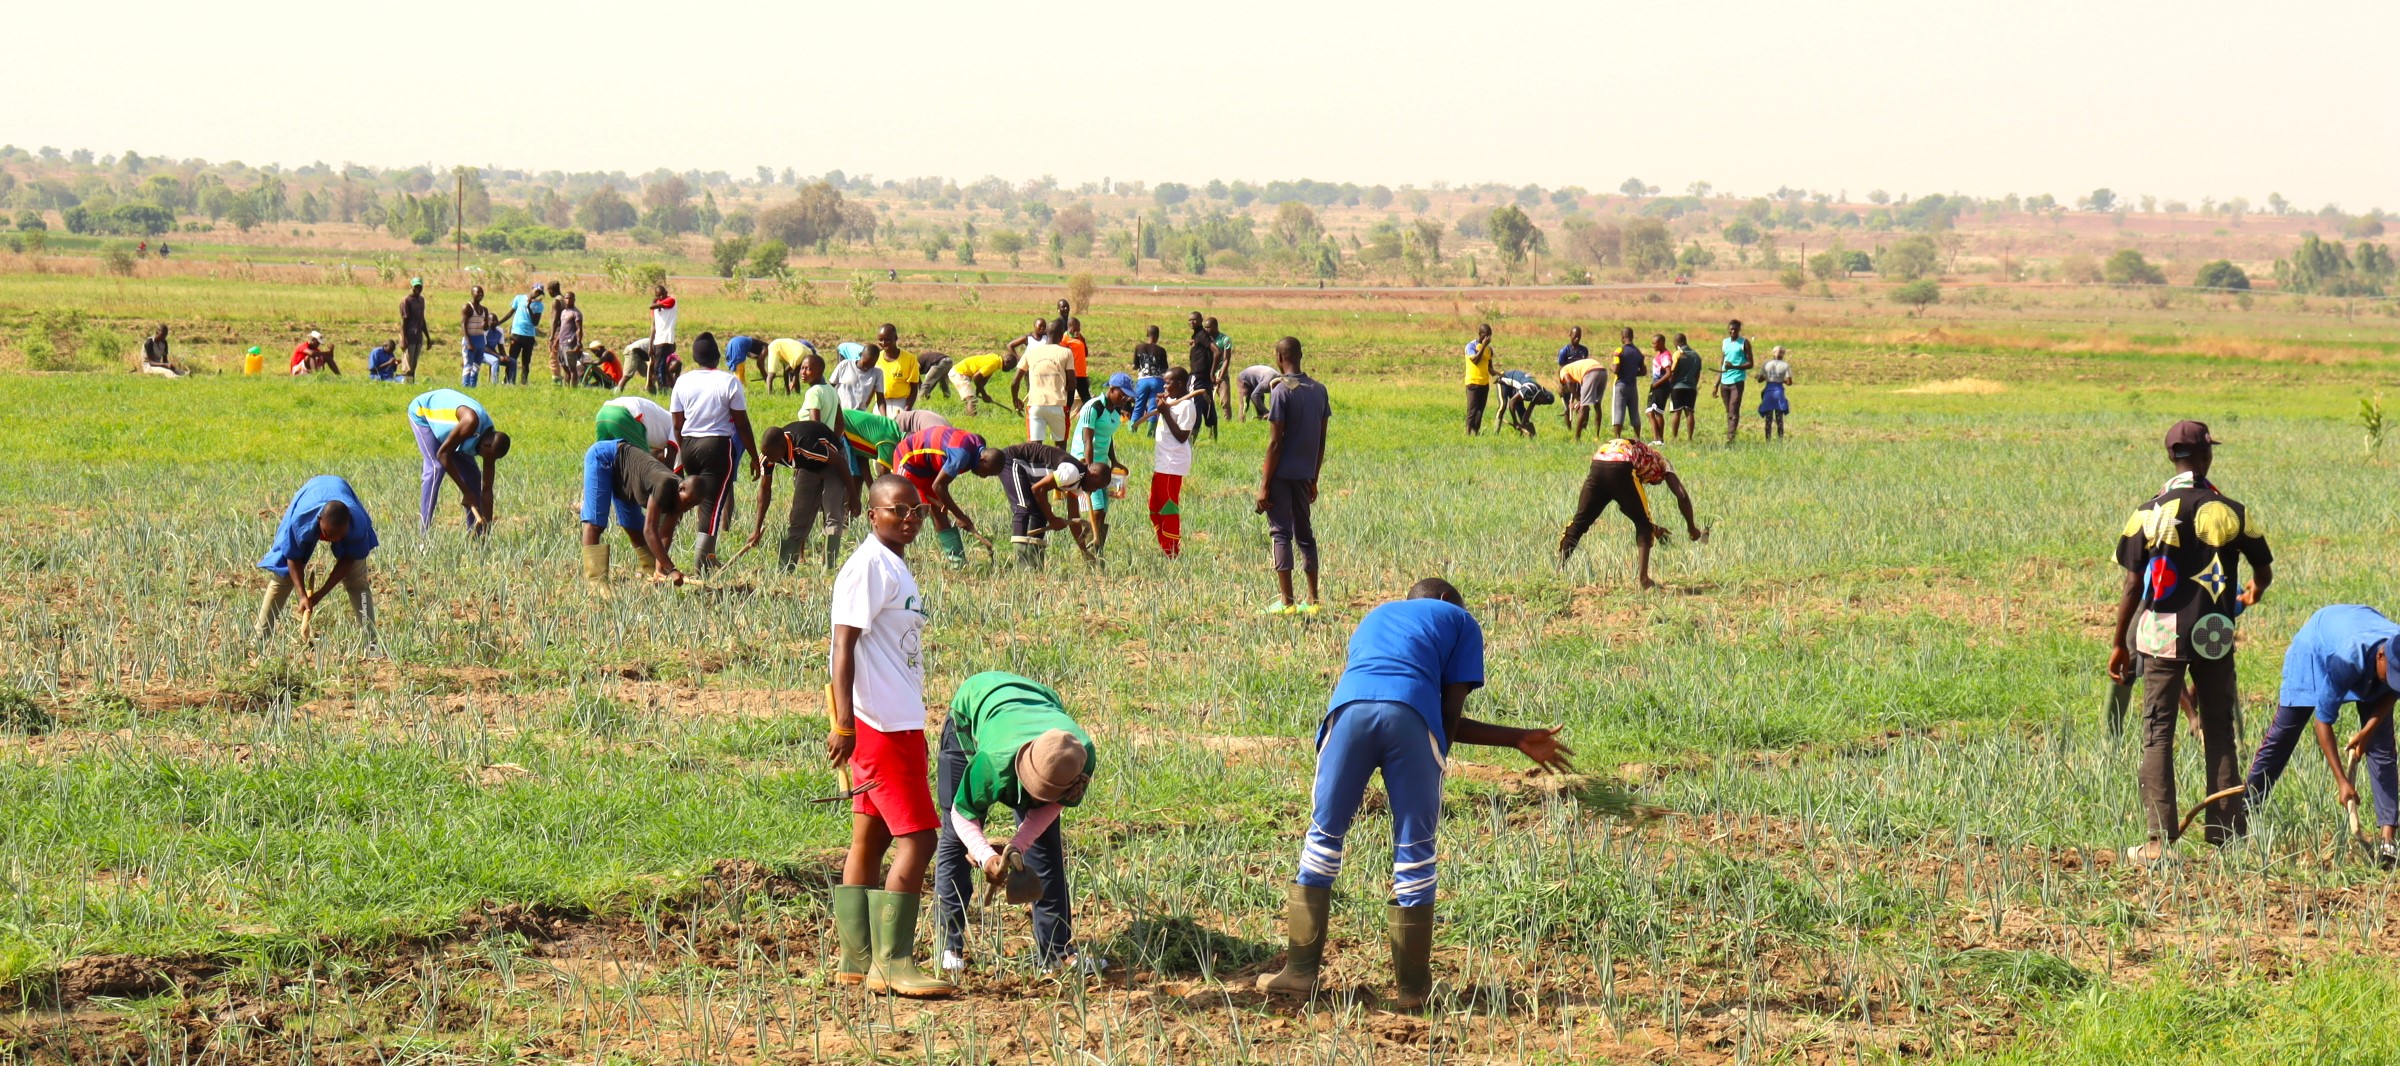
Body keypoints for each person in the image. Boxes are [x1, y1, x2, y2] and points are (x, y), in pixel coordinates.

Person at [1257, 578, 1573, 1009]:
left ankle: (1299, 972)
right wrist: (1513, 738)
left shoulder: (1374, 616)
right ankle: (1413, 989)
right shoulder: (1460, 619)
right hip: (1412, 721)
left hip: (1347, 713)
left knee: (1324, 834)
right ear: (1446, 600)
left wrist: (1514, 738)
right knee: (1414, 848)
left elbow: (1377, 685)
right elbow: (1448, 717)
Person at [2110, 420, 2272, 862]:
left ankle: (2159, 843)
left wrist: (2120, 642)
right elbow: (2264, 569)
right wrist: (2255, 588)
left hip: (2161, 633)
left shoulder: (2148, 513)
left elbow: (2131, 586)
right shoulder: (2232, 511)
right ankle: (2226, 836)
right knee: (2220, 729)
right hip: (2214, 635)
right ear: (2207, 457)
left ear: (2170, 457)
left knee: (2158, 732)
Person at [826, 475, 952, 999]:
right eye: (896, 510)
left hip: (896, 721)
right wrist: (844, 723)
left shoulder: (893, 564)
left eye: (915, 510)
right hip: (881, 726)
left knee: (871, 837)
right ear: (871, 514)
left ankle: (855, 960)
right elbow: (842, 645)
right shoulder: (868, 567)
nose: (908, 518)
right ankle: (893, 963)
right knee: (921, 837)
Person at [931, 672, 1097, 974]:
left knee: (1045, 849)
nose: (1036, 799)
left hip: (1037, 703)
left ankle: (1056, 953)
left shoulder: (1079, 757)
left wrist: (1017, 846)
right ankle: (949, 948)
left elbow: (1047, 813)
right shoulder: (993, 761)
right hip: (973, 712)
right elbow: (962, 813)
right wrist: (985, 855)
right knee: (955, 841)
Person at [2243, 605, 2400, 868]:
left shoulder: (2397, 649)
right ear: (2381, 656)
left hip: (2358, 631)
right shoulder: (2347, 659)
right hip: (2316, 649)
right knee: (2284, 734)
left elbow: (2393, 693)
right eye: (2393, 675)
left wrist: (2367, 731)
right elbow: (2323, 722)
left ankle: (2388, 839)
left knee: (2382, 746)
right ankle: (2242, 812)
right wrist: (2342, 782)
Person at [1556, 437, 1707, 591]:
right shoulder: (1663, 462)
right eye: (1657, 481)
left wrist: (1652, 526)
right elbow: (1682, 495)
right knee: (1643, 525)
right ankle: (1644, 580)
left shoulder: (1642, 456)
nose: (1654, 483)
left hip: (1599, 462)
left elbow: (1627, 505)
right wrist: (1692, 529)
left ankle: (1557, 572)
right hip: (1622, 464)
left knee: (1580, 522)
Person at [254, 476, 381, 648]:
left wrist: (320, 594)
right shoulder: (300, 520)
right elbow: (292, 557)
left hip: (340, 489)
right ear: (319, 519)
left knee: (357, 582)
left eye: (340, 536)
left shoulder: (357, 524)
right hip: (311, 493)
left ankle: (371, 643)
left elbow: (349, 559)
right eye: (329, 535)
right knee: (282, 577)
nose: (334, 539)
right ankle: (259, 640)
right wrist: (302, 595)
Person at [670, 333, 760, 572]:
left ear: (695, 357)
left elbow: (677, 424)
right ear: (718, 357)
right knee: (713, 504)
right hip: (717, 446)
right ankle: (702, 562)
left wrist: (682, 449)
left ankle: (706, 556)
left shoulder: (682, 381)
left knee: (701, 498)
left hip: (689, 444)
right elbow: (741, 423)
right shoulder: (729, 382)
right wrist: (753, 456)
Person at [1258, 337, 1331, 616]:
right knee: (1305, 534)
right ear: (1301, 355)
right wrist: (1314, 478)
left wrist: (1264, 486)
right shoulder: (1319, 390)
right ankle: (1313, 600)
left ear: (1278, 357)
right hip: (1304, 473)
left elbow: (1275, 443)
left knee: (1280, 534)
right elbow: (1321, 440)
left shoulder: (1280, 392)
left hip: (1281, 475)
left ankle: (1287, 602)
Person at [578, 433, 703, 586]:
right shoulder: (664, 484)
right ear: (681, 488)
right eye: (687, 503)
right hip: (605, 457)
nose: (686, 507)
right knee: (595, 524)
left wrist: (661, 568)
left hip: (626, 476)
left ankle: (653, 571)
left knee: (634, 526)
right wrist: (671, 569)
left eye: (691, 506)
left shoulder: (680, 500)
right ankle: (596, 583)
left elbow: (665, 533)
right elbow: (650, 531)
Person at [973, 442, 1102, 569]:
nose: (1095, 490)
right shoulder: (1072, 472)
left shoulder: (1078, 483)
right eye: (1097, 486)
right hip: (1013, 461)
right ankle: (1022, 566)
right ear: (1093, 475)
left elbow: (1073, 516)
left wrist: (1084, 551)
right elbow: (1037, 489)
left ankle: (1034, 565)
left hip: (1027, 471)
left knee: (1040, 515)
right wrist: (1052, 519)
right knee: (1023, 508)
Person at [748, 419, 855, 571]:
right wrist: (756, 528)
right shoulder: (768, 455)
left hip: (834, 463)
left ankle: (828, 570)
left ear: (783, 447)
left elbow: (840, 462)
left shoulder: (806, 446)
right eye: (767, 455)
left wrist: (853, 497)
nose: (769, 460)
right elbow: (765, 490)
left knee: (833, 514)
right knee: (798, 516)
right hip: (807, 466)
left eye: (772, 456)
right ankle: (785, 569)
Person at [407, 388, 510, 533]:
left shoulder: (489, 445)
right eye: (488, 458)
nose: (487, 461)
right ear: (486, 444)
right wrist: (466, 492)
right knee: (436, 468)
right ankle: (423, 536)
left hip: (453, 432)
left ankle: (477, 535)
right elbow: (443, 454)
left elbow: (487, 490)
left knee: (473, 476)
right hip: (423, 413)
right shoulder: (470, 421)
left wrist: (487, 527)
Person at [894, 424, 989, 567]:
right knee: (904, 511)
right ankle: (893, 558)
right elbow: (938, 486)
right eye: (986, 472)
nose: (984, 476)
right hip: (908, 459)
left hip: (928, 467)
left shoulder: (979, 445)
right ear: (983, 460)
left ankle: (958, 563)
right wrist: (960, 515)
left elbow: (939, 483)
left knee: (939, 513)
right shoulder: (961, 455)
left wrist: (944, 502)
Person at [1134, 367, 1200, 557]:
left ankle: (1171, 550)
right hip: (1162, 463)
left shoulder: (1187, 406)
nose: (1164, 385)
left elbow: (1181, 436)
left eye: (1168, 382)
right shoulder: (1170, 402)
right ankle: (1165, 545)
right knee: (1154, 506)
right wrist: (1163, 406)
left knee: (1168, 507)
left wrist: (1165, 413)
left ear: (1180, 384)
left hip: (1173, 464)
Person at [1068, 375, 1134, 554]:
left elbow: (1107, 437)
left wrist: (1114, 460)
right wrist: (1089, 470)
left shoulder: (1114, 411)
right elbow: (1087, 439)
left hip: (1103, 464)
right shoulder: (1093, 406)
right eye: (1122, 394)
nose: (1125, 399)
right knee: (1096, 509)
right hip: (1086, 462)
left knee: (1103, 509)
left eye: (1127, 396)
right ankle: (1086, 550)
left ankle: (1097, 549)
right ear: (1112, 389)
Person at [1012, 321, 1075, 447]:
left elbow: (1014, 382)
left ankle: (1036, 467)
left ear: (1046, 332)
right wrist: (1068, 405)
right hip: (1058, 405)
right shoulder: (1066, 352)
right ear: (1062, 336)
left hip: (1035, 405)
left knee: (1035, 447)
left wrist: (1015, 399)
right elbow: (1072, 384)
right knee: (1060, 447)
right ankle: (1059, 467)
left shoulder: (1030, 352)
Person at [1714, 319, 1755, 444]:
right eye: (1731, 329)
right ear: (1728, 329)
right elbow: (1722, 363)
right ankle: (1730, 431)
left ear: (1739, 330)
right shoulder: (1725, 342)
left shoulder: (1744, 343)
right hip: (1724, 381)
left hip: (1737, 380)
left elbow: (1750, 364)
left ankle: (1731, 437)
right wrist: (1716, 384)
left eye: (1735, 329)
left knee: (1733, 408)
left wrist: (1735, 367)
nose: (1733, 331)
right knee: (1729, 410)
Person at [1185, 312, 1221, 441]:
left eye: (1195, 319)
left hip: (1198, 377)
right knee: (1208, 406)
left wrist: (1212, 373)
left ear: (1201, 320)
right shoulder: (1199, 336)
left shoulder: (1201, 335)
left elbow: (1217, 352)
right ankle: (1213, 439)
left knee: (1194, 407)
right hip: (1204, 378)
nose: (1192, 322)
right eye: (1190, 320)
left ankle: (1190, 441)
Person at [946, 352, 1012, 417]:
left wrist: (978, 391)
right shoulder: (994, 363)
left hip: (960, 372)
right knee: (971, 399)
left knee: (971, 398)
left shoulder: (995, 359)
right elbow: (976, 378)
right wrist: (984, 394)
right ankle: (973, 421)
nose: (1009, 370)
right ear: (1007, 362)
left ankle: (969, 417)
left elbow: (983, 378)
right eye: (1010, 367)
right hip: (959, 373)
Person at [1558, 354, 1605, 442]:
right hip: (1602, 371)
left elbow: (1569, 382)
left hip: (1590, 372)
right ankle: (1597, 436)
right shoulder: (1574, 369)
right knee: (1597, 405)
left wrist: (1579, 400)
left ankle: (1576, 438)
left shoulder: (1563, 371)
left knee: (1583, 407)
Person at [874, 324, 920, 416]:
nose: (883, 343)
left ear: (895, 338)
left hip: (902, 404)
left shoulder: (910, 359)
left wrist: (905, 412)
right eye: (880, 340)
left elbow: (914, 389)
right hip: (881, 404)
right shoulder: (876, 359)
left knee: (901, 430)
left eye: (887, 339)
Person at [1129, 325, 1170, 424]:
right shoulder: (1161, 350)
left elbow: (1135, 366)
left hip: (1143, 380)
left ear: (1147, 334)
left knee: (1138, 406)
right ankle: (1150, 434)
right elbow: (1165, 369)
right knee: (1153, 408)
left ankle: (1132, 429)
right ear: (1158, 336)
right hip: (1157, 381)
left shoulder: (1139, 347)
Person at [462, 286, 502, 385]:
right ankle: (465, 385)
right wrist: (468, 342)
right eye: (478, 292)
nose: (480, 294)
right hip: (470, 338)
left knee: (477, 364)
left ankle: (473, 385)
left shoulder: (484, 310)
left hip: (480, 339)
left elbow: (485, 328)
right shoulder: (467, 307)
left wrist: (485, 326)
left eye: (482, 293)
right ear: (472, 293)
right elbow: (463, 325)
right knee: (468, 364)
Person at [1608, 327, 1644, 440]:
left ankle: (1617, 438)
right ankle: (1637, 438)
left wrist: (1611, 367)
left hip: (1620, 385)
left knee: (1618, 411)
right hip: (1633, 386)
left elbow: (1616, 370)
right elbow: (1643, 371)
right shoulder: (1638, 352)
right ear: (1632, 337)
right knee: (1634, 412)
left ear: (1623, 337)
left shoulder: (1619, 351)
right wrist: (1632, 373)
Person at [505, 284, 543, 385]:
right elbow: (510, 313)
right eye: (536, 291)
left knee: (526, 361)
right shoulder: (519, 298)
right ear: (532, 288)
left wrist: (529, 307)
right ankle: (508, 381)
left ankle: (523, 382)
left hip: (529, 336)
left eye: (539, 293)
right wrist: (498, 322)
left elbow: (535, 322)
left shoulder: (539, 305)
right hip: (517, 333)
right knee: (512, 359)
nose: (537, 294)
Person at [1668, 333, 1703, 442]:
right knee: (1690, 412)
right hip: (1691, 387)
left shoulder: (1678, 354)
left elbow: (1672, 371)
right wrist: (1694, 385)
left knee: (1677, 412)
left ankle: (1674, 437)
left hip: (1677, 387)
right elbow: (1697, 374)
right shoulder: (1696, 356)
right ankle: (1690, 438)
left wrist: (1670, 384)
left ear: (1677, 343)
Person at [1462, 324, 1496, 436]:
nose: (1488, 339)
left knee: (1480, 411)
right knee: (1472, 410)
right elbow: (1475, 360)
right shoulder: (1470, 346)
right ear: (1480, 334)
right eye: (1486, 336)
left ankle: (1475, 433)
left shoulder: (1489, 350)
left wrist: (1499, 374)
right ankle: (1467, 433)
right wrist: (1483, 346)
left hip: (1484, 384)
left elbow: (1490, 368)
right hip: (1473, 383)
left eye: (1490, 336)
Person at [833, 344, 886, 413]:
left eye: (871, 365)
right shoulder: (845, 365)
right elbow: (830, 387)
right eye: (865, 363)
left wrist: (885, 417)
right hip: (840, 412)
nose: (867, 367)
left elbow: (880, 399)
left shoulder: (877, 373)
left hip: (859, 414)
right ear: (860, 355)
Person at [1555, 326, 1589, 429]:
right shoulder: (1564, 351)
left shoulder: (1584, 351)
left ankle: (1583, 428)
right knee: (1567, 406)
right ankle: (1569, 429)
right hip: (1568, 382)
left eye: (1579, 337)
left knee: (1583, 404)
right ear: (1570, 335)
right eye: (1575, 336)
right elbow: (1561, 369)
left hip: (1580, 382)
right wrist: (1562, 385)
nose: (1577, 339)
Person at [1757, 346, 1793, 440]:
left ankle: (1767, 441)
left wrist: (1766, 377)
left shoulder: (1766, 363)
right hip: (1779, 392)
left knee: (1768, 419)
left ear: (1773, 352)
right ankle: (1780, 441)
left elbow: (1760, 379)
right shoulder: (1785, 365)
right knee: (1779, 419)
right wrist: (1782, 380)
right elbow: (1789, 383)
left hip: (1768, 392)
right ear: (1783, 354)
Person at [1644, 334, 1675, 440]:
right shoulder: (1660, 354)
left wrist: (1656, 384)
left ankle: (1657, 439)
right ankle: (1659, 439)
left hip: (1660, 386)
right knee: (1656, 412)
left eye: (1654, 343)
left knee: (1652, 412)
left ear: (1661, 343)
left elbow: (1668, 373)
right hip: (1659, 385)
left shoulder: (1665, 356)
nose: (1652, 345)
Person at [399, 278, 428, 382]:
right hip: (409, 335)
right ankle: (406, 384)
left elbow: (422, 319)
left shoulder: (421, 300)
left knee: (414, 362)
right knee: (407, 364)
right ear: (411, 286)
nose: (418, 289)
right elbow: (404, 321)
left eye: (420, 287)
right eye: (416, 287)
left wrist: (428, 338)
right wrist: (403, 338)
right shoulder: (406, 301)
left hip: (418, 336)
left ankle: (411, 383)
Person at [1206, 317, 1235, 416]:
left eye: (1208, 327)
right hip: (1208, 374)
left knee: (1225, 402)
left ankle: (1228, 422)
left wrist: (1220, 376)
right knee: (1206, 401)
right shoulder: (1206, 339)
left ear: (1215, 327)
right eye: (1205, 327)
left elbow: (1226, 359)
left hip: (1221, 373)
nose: (1206, 330)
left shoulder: (1225, 340)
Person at [554, 293, 586, 384]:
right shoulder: (563, 312)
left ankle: (574, 389)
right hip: (562, 343)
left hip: (570, 343)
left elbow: (579, 329)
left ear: (574, 300)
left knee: (572, 368)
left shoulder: (576, 313)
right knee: (564, 367)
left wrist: (578, 343)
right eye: (566, 298)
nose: (568, 300)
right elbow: (562, 328)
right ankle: (566, 388)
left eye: (570, 298)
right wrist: (556, 341)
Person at [1062, 318, 1092, 410]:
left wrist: (1082, 339)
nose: (1080, 328)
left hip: (1081, 374)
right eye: (1079, 326)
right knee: (1069, 399)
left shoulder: (1079, 337)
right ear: (1074, 324)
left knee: (1087, 399)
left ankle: (1089, 417)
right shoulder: (1065, 338)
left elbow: (1085, 353)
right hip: (1071, 373)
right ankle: (1066, 417)